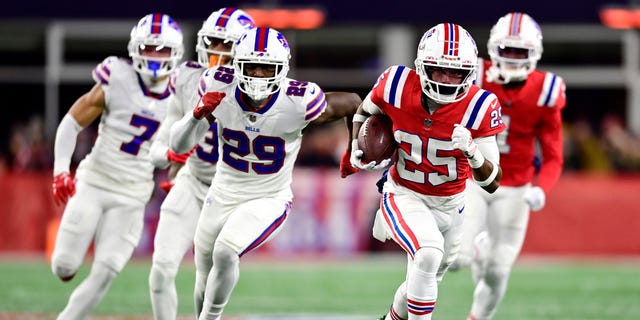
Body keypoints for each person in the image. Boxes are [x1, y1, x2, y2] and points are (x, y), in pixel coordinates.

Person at [169, 27, 361, 319]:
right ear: (237, 66)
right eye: (251, 66)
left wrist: (353, 149)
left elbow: (352, 102)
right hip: (221, 193)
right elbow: (178, 145)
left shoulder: (299, 101)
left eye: (267, 67)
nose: (258, 74)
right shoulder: (217, 86)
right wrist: (196, 114)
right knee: (203, 272)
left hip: (268, 197)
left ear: (281, 69)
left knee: (225, 251)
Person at [342, 23, 505, 320]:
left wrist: (473, 152)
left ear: (469, 73)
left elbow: (493, 182)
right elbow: (365, 112)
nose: (446, 79)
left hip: (452, 206)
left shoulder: (480, 106)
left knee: (421, 278)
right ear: (421, 67)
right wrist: (356, 146)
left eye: (455, 72)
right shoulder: (396, 84)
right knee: (428, 253)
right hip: (405, 193)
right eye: (438, 70)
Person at [49, 13, 183, 319]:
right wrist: (60, 171)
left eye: (162, 49)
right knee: (64, 267)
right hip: (95, 180)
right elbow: (71, 123)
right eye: (148, 47)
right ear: (135, 48)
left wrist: (177, 176)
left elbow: (186, 147)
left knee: (107, 269)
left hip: (133, 194)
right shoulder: (116, 76)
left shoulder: (181, 94)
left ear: (175, 52)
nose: (154, 56)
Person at [448, 12, 566, 320]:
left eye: (520, 52)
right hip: (473, 179)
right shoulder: (473, 74)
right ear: (492, 49)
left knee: (498, 269)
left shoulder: (547, 91)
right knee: (458, 258)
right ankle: (477, 249)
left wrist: (542, 188)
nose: (512, 59)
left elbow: (553, 154)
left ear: (535, 54)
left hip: (515, 186)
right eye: (506, 50)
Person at [146, 8, 255, 320]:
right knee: (162, 267)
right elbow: (160, 143)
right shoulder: (186, 78)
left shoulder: (261, 89)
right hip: (193, 183)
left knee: (206, 278)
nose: (217, 52)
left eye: (227, 45)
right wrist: (170, 156)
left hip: (232, 194)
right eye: (213, 42)